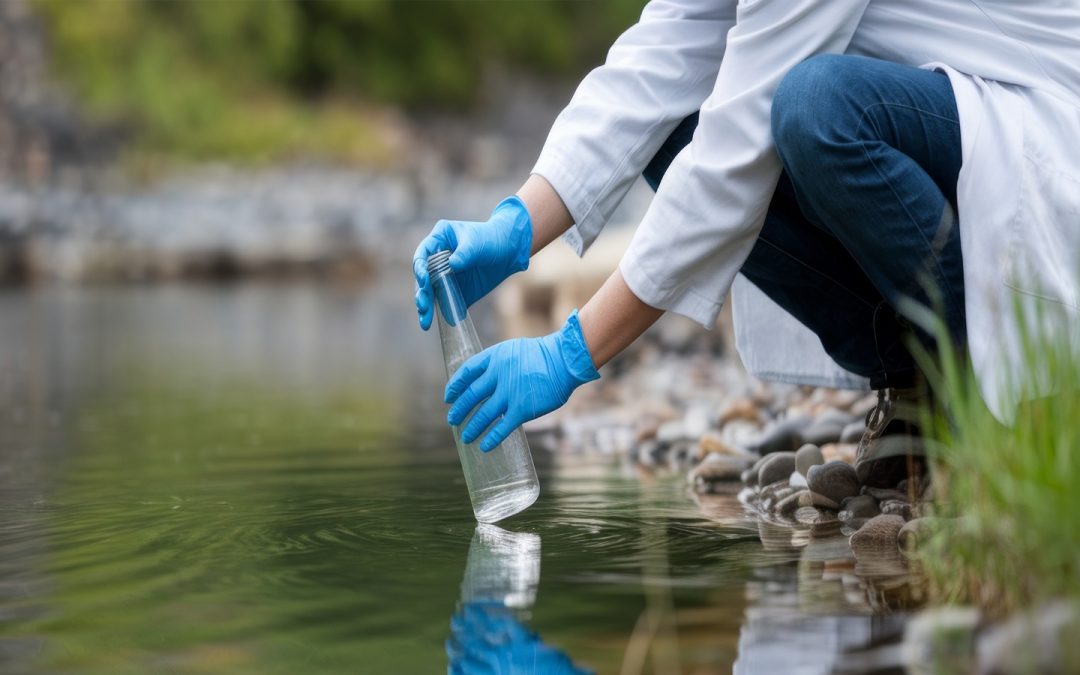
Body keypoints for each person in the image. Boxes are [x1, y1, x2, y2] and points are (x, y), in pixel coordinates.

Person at [413, 1, 1080, 487]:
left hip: (1038, 112)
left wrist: (571, 353)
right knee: (682, 124)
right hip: (936, 113)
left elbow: (733, 158)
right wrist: (514, 226)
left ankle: (979, 394)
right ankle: (912, 379)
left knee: (817, 109)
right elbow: (658, 64)